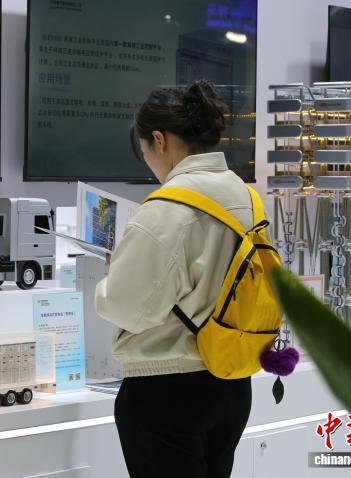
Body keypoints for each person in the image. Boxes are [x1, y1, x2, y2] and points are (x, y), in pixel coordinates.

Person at [94, 79, 256, 478]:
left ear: (159, 140)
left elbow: (128, 308)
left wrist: (113, 274)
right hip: (232, 382)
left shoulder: (167, 206)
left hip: (167, 389)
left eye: (144, 150)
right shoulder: (244, 195)